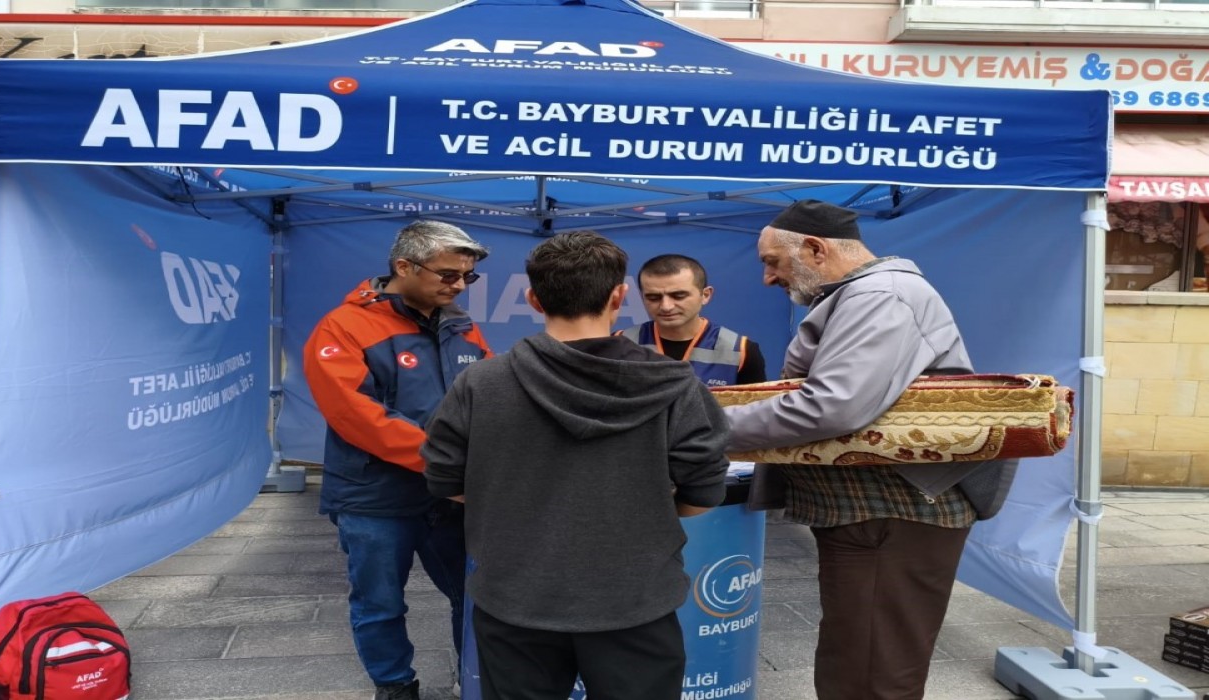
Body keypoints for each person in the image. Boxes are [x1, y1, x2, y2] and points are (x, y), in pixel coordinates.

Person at [721, 199, 1018, 700]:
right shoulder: (868, 293)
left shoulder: (881, 294)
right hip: (880, 515)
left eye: (771, 262)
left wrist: (708, 427)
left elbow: (833, 406)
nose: (768, 278)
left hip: (891, 514)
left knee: (870, 674)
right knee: (859, 660)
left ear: (814, 249)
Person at [421, 231, 730, 700]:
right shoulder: (676, 384)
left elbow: (445, 478)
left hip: (514, 598)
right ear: (620, 296)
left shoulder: (481, 383)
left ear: (532, 298)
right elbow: (704, 490)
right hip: (634, 600)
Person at [303, 220, 491, 700]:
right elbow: (356, 415)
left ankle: (468, 676)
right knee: (380, 602)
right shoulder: (343, 327)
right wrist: (445, 467)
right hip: (375, 497)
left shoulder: (463, 327)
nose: (458, 285)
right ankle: (394, 685)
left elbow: (490, 397)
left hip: (452, 497)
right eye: (448, 274)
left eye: (467, 277)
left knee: (474, 598)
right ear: (403, 266)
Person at [617, 254, 767, 386]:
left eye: (679, 296)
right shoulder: (618, 343)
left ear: (706, 295)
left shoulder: (742, 350)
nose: (666, 306)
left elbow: (753, 413)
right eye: (653, 297)